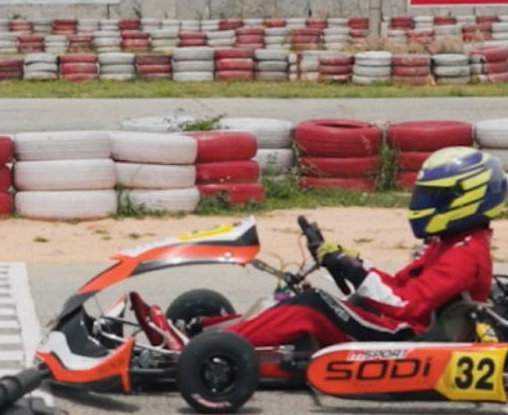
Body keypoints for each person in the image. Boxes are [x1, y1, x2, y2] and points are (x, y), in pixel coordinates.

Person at [211, 146, 507, 350]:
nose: (424, 204)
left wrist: (354, 271)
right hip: (399, 323)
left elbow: (407, 305)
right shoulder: (449, 243)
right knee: (303, 297)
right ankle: (208, 329)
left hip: (409, 338)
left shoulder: (465, 255)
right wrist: (354, 263)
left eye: (435, 197)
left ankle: (217, 345)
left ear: (467, 199)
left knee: (311, 307)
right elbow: (397, 286)